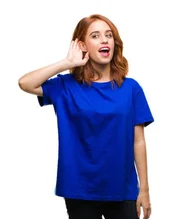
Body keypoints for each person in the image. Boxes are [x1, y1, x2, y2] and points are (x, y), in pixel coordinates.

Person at [17, 14, 153, 219]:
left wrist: (144, 189)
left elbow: (138, 141)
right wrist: (66, 63)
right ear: (82, 44)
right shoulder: (65, 86)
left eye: (109, 35)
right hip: (79, 189)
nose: (105, 40)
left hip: (122, 189)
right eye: (96, 36)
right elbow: (25, 83)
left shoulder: (131, 88)